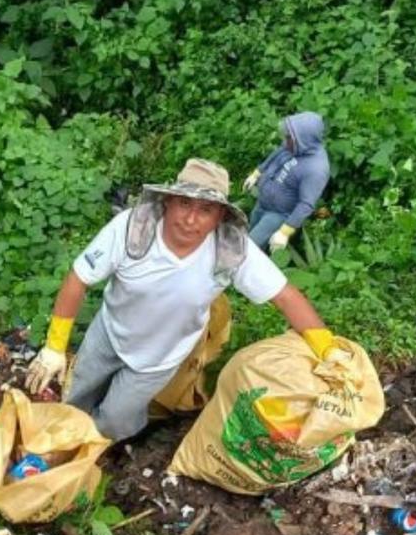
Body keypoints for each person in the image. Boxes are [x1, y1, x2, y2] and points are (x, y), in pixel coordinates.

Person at [25, 158, 343, 441]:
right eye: (185, 204)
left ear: (219, 216)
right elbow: (78, 277)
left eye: (205, 210)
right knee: (76, 398)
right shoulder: (133, 228)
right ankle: (61, 444)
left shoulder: (230, 248)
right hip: (109, 332)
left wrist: (327, 348)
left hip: (160, 355)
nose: (191, 219)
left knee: (113, 421)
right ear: (168, 202)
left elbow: (285, 296)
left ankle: (109, 450)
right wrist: (54, 346)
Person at [242, 111, 330, 252]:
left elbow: (306, 204)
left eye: (289, 137)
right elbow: (276, 154)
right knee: (247, 237)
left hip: (278, 214)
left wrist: (285, 231)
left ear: (304, 138)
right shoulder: (295, 145)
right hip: (262, 203)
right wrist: (257, 173)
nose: (285, 141)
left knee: (249, 248)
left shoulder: (316, 169)